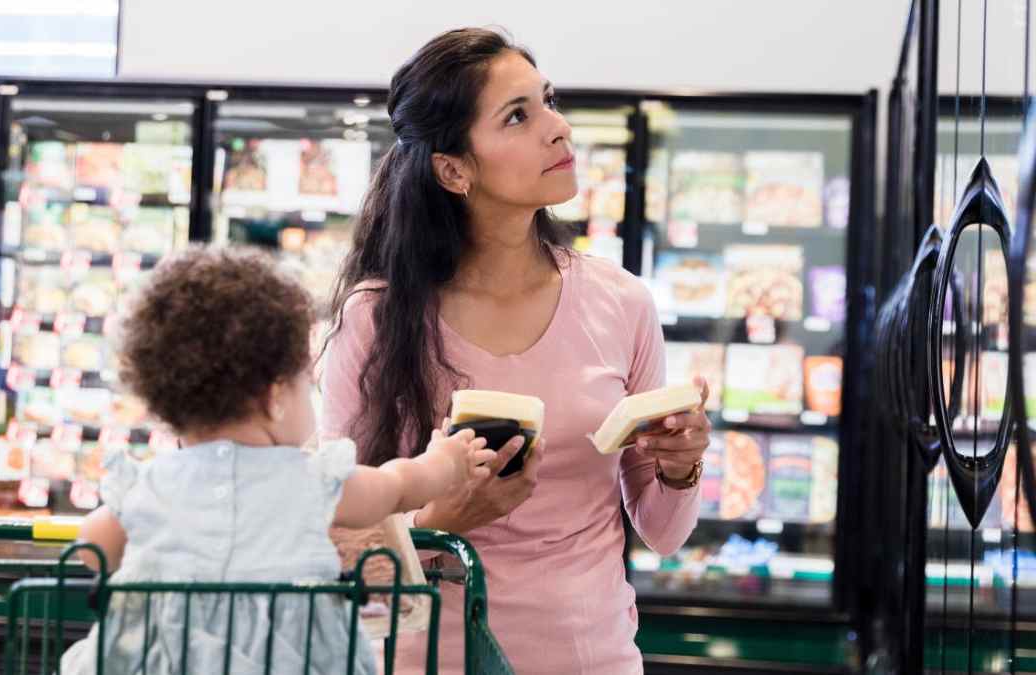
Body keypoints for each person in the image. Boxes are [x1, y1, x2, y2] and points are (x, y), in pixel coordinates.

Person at [321, 27, 712, 674]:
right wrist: (440, 518)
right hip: (426, 658)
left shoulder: (623, 302)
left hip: (591, 656)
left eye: (549, 101)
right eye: (517, 116)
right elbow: (341, 538)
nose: (557, 128)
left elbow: (664, 532)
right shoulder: (375, 317)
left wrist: (681, 465)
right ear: (453, 168)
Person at [61, 246, 496, 674]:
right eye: (305, 381)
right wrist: (445, 464)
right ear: (274, 400)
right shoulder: (311, 483)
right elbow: (396, 487)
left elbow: (94, 544)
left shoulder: (149, 485)